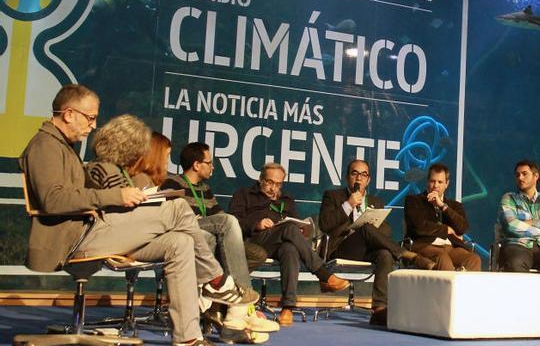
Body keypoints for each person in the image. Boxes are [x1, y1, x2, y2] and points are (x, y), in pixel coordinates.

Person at [20, 85, 256, 346]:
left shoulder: (63, 146)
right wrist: (116, 197)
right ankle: (215, 280)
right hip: (76, 239)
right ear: (68, 114)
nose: (93, 124)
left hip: (91, 230)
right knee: (177, 208)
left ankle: (188, 337)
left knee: (181, 242)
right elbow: (53, 200)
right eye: (90, 117)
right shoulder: (46, 145)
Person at [160, 142, 277, 340]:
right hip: (187, 233)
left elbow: (218, 218)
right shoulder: (172, 183)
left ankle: (218, 304)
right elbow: (173, 218)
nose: (212, 167)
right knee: (218, 229)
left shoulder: (205, 189)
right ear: (197, 165)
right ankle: (240, 308)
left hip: (208, 240)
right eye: (209, 162)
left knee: (256, 253)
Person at [228, 162, 350, 326]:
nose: (273, 188)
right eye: (269, 182)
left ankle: (288, 308)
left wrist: (301, 230)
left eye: (278, 184)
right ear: (260, 179)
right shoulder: (244, 195)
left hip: (279, 243)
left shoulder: (287, 199)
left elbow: (296, 223)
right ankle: (324, 275)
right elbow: (232, 223)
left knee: (290, 248)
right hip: (254, 242)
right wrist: (256, 224)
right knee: (289, 230)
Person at [318, 158, 435, 327]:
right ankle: (408, 255)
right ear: (347, 177)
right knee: (365, 230)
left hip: (367, 248)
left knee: (385, 253)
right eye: (355, 173)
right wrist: (348, 205)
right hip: (342, 248)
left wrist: (374, 224)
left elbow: (387, 232)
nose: (359, 178)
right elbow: (325, 224)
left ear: (369, 180)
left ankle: (379, 309)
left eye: (364, 175)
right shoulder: (333, 196)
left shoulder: (376, 201)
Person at [404, 162, 481, 271]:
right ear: (427, 182)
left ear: (447, 184)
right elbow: (419, 227)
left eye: (440, 182)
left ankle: (462, 288)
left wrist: (442, 206)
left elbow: (462, 228)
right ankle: (448, 288)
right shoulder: (414, 200)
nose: (435, 186)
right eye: (432, 181)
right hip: (424, 245)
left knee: (474, 259)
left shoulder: (454, 205)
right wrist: (446, 229)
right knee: (442, 258)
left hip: (451, 248)